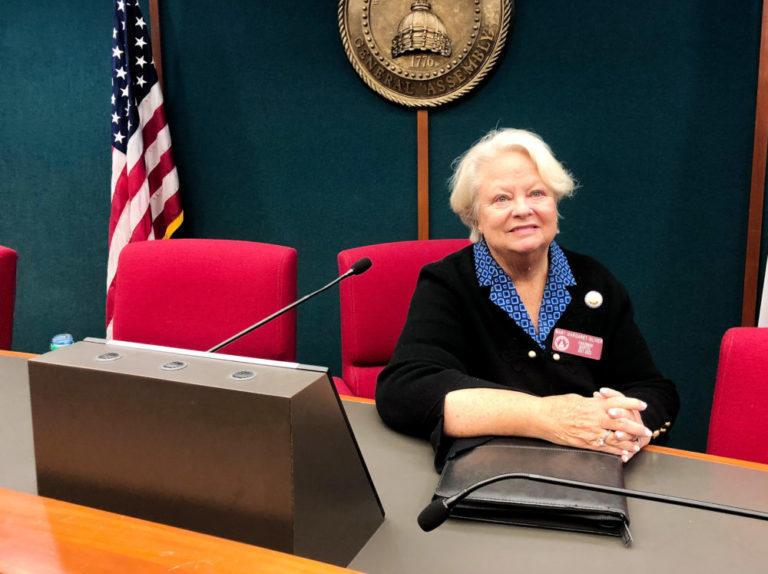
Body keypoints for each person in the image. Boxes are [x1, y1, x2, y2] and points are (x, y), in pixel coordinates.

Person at [376, 128, 679, 469]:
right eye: (502, 199)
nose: (522, 209)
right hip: (490, 467)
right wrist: (546, 416)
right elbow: (405, 389)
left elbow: (652, 388)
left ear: (554, 203)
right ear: (475, 216)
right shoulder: (449, 283)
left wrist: (627, 419)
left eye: (537, 193)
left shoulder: (596, 282)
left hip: (589, 464)